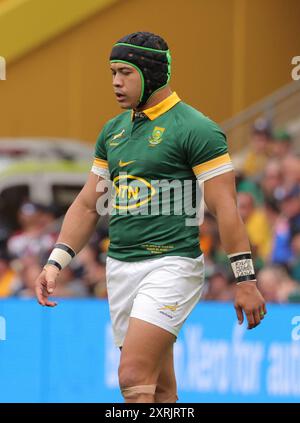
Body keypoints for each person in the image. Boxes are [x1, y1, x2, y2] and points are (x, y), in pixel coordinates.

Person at [35, 31, 266, 403]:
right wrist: (55, 263)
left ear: (152, 73)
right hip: (120, 268)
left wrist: (245, 280)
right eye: (112, 72)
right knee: (159, 389)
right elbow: (86, 205)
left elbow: (226, 208)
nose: (115, 81)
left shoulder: (196, 128)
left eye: (124, 72)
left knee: (132, 377)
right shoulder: (113, 131)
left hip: (171, 265)